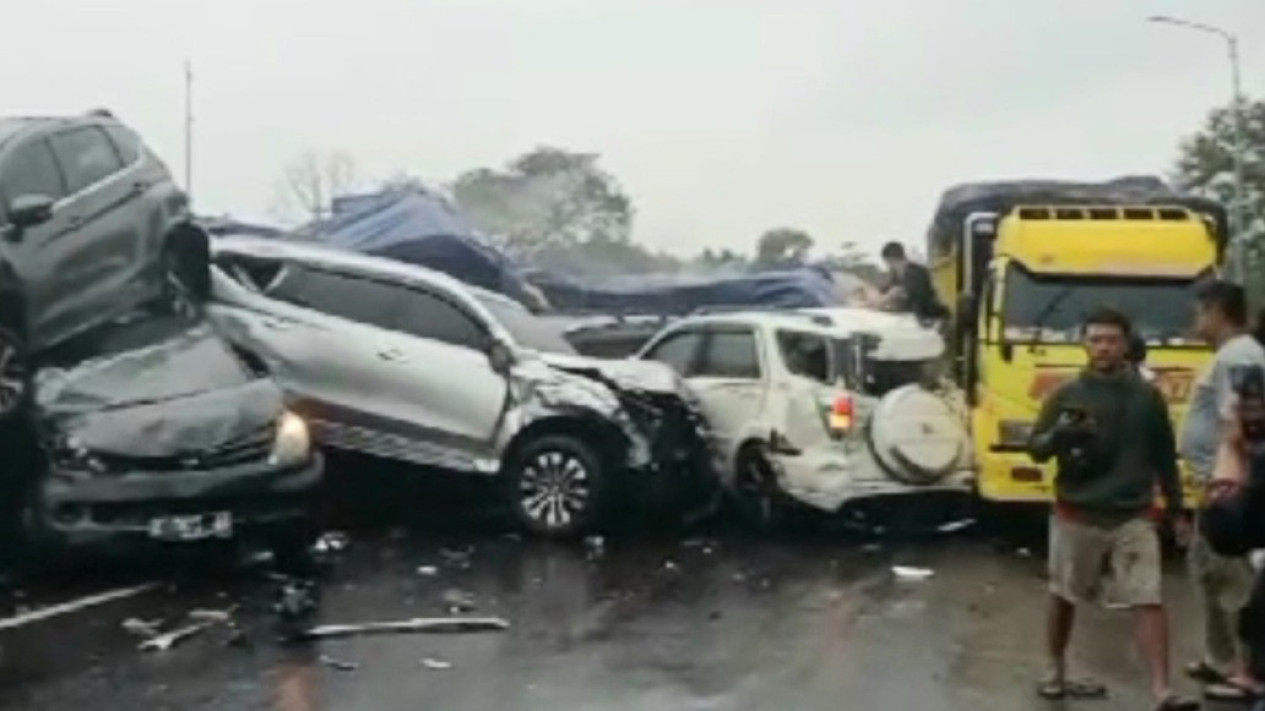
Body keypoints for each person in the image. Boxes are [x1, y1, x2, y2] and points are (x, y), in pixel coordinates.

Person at [1027, 306, 1197, 710]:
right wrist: (1060, 435)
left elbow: (1164, 455)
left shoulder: (1147, 396)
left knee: (1148, 598)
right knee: (1065, 595)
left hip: (1133, 515)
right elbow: (1035, 449)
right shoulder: (1065, 395)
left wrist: (1176, 511)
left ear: (1126, 344)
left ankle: (1161, 690)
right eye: (1096, 339)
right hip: (1077, 512)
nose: (1103, 347)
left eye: (1112, 340)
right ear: (1084, 343)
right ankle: (1054, 669)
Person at [1180, 280, 1265, 702]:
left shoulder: (1240, 356)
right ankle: (1220, 657)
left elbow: (1242, 426)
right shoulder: (1227, 355)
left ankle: (1245, 667)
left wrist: (1232, 482)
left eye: (1200, 313)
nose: (1197, 323)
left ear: (1216, 311)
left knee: (1232, 579)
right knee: (1205, 571)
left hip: (1228, 485)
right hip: (1212, 481)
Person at [877, 241, 949, 322]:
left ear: (892, 260)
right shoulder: (897, 274)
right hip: (914, 315)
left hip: (928, 315)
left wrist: (885, 301)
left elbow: (903, 292)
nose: (889, 267)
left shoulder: (916, 272)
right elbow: (885, 289)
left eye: (888, 263)